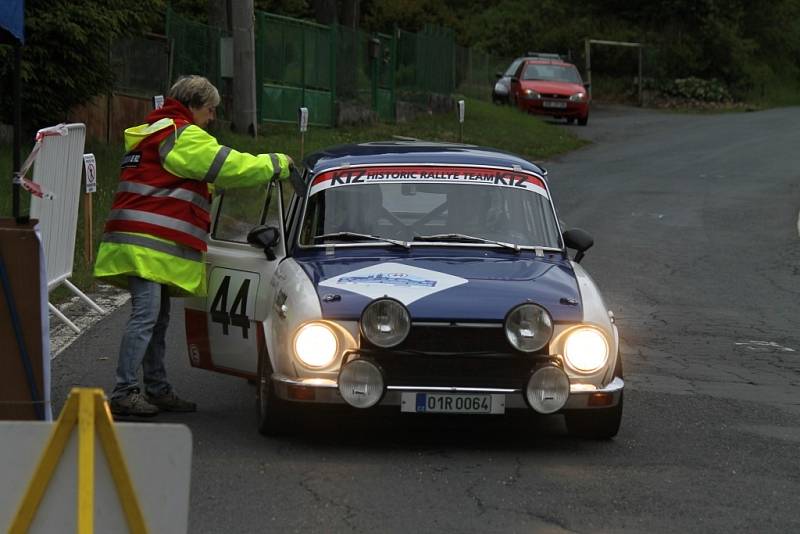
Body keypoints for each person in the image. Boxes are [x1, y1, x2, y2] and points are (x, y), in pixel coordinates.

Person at [94, 75, 293, 417]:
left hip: (140, 241)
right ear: (194, 105)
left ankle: (156, 388)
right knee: (146, 316)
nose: (213, 118)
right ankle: (124, 391)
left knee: (155, 317)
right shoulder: (181, 135)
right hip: (148, 244)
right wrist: (274, 163)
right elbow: (228, 166)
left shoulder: (154, 132)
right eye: (211, 110)